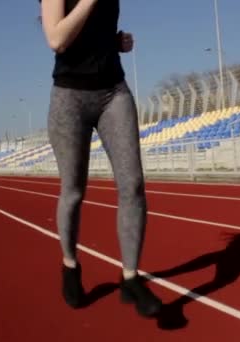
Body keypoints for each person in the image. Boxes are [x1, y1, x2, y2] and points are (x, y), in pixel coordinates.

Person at [38, 0, 162, 317]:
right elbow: (56, 39)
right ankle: (70, 265)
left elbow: (96, 32)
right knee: (74, 191)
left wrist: (117, 42)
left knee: (132, 184)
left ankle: (131, 278)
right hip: (70, 97)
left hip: (113, 92)